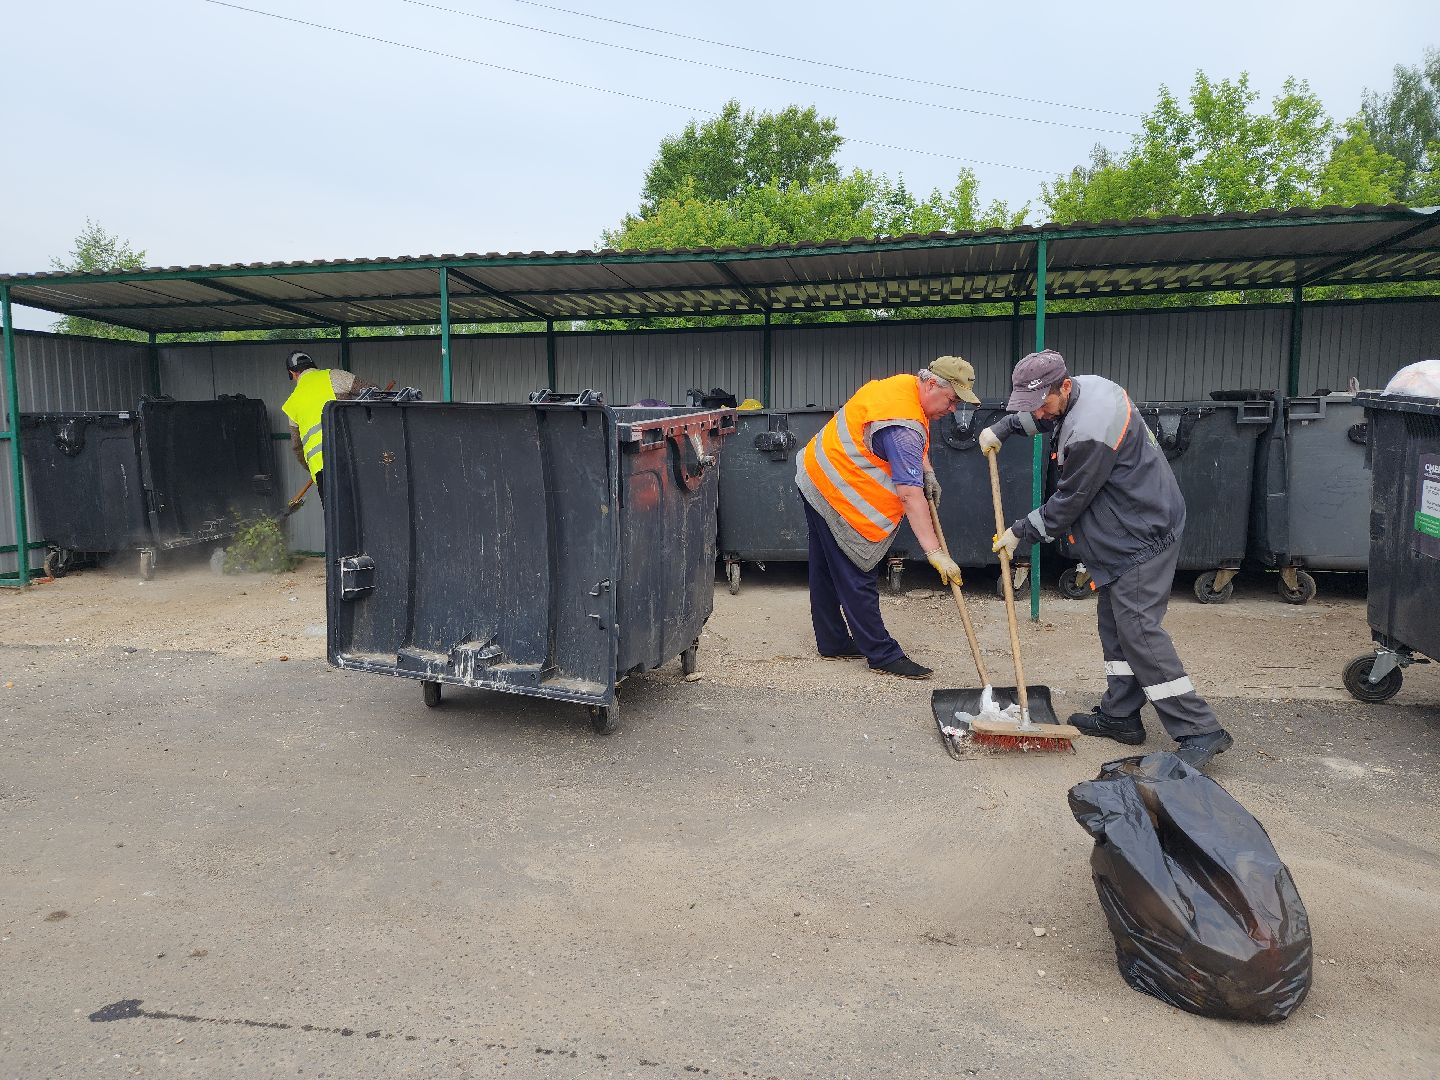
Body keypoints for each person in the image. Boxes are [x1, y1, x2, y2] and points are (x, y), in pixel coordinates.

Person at [979, 350, 1233, 768]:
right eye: (1029, 405)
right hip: (1126, 527)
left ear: (1063, 386)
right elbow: (1046, 417)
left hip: (1141, 533)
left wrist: (1019, 531)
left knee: (1138, 630)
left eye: (1042, 402)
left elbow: (1069, 502)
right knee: (1115, 626)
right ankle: (1121, 716)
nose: (1038, 412)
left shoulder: (1091, 431)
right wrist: (1004, 427)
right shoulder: (1083, 390)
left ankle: (1200, 728)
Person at [795, 356, 981, 679]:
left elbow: (913, 432)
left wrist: (928, 471)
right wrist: (935, 553)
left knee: (825, 565)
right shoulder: (903, 428)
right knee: (857, 570)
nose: (952, 410)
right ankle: (882, 653)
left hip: (815, 471)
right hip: (836, 490)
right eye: (952, 400)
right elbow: (910, 495)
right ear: (933, 385)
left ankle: (832, 641)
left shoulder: (907, 388)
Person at [281, 351, 375, 503]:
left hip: (323, 470)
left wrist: (313, 469)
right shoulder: (336, 376)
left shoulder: (292, 404)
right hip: (354, 457)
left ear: (292, 373)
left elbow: (297, 448)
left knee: (337, 521)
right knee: (367, 512)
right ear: (313, 365)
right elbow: (373, 392)